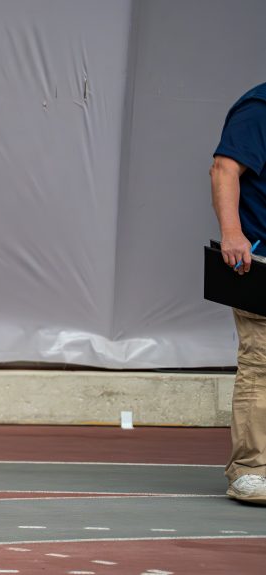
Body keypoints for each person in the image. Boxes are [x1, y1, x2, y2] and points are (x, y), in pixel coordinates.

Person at [210, 81, 266, 504]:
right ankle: (251, 469)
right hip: (262, 260)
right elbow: (225, 168)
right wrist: (232, 233)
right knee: (261, 363)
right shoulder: (260, 105)